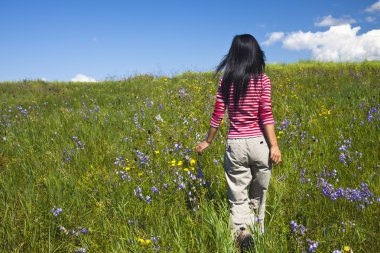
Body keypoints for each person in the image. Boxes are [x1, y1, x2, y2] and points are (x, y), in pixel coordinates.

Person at [195, 34, 282, 248]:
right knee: (259, 193)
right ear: (255, 53)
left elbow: (218, 114)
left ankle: (242, 233)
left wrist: (208, 141)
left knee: (237, 194)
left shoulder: (227, 79)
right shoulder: (263, 80)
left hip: (236, 144)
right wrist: (274, 146)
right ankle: (258, 232)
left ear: (234, 54)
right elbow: (266, 114)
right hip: (259, 144)